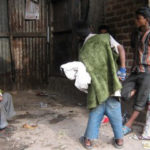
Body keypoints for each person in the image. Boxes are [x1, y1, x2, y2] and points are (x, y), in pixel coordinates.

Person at [76, 21, 126, 149]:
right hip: (111, 84)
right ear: (91, 28)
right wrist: (123, 68)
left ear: (79, 36)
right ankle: (119, 141)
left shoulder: (83, 50)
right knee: (115, 110)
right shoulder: (106, 37)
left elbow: (83, 74)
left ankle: (88, 141)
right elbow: (120, 48)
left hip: (97, 88)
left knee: (96, 112)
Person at [121, 7, 150, 135]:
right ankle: (138, 88)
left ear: (147, 19)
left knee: (140, 101)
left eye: (138, 19)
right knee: (122, 92)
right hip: (135, 70)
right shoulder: (135, 33)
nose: (136, 21)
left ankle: (128, 125)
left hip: (148, 71)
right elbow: (134, 50)